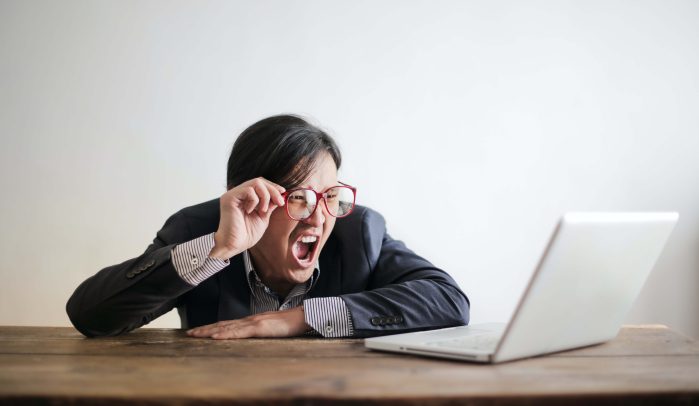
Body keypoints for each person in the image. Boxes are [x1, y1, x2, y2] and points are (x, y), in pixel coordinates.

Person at [66, 114, 470, 339]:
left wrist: (297, 318)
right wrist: (217, 250)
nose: (318, 216)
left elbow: (449, 301)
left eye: (330, 195)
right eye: (298, 197)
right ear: (247, 196)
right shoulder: (198, 228)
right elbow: (90, 316)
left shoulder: (358, 231)